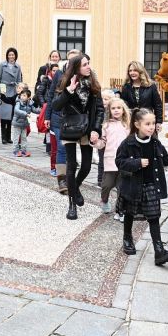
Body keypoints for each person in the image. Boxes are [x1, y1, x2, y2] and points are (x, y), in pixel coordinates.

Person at [117, 108, 168, 265]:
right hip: (133, 186)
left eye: (153, 123)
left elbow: (165, 160)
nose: (151, 126)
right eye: (147, 124)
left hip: (152, 185)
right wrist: (137, 163)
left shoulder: (155, 142)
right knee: (129, 213)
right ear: (137, 125)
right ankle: (127, 238)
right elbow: (119, 162)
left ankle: (159, 251)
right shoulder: (128, 143)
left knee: (154, 217)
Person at [53, 54, 104, 220]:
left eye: (88, 63)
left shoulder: (94, 85)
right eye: (84, 64)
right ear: (76, 68)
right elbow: (56, 105)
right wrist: (69, 91)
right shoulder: (66, 83)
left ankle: (75, 187)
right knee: (71, 164)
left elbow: (100, 110)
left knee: (87, 166)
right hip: (70, 127)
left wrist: (96, 129)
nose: (88, 67)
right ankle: (72, 205)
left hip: (87, 128)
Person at [44, 49, 82, 193]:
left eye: (75, 60)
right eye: (70, 60)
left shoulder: (82, 76)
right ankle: (62, 180)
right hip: (58, 117)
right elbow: (51, 95)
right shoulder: (59, 74)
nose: (72, 63)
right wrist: (47, 116)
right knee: (61, 148)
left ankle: (70, 176)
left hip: (74, 118)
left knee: (70, 149)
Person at [95, 97, 130, 215]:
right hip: (110, 161)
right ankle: (104, 201)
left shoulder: (127, 126)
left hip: (124, 162)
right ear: (109, 110)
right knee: (106, 185)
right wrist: (95, 142)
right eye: (113, 108)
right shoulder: (106, 126)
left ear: (123, 110)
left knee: (122, 188)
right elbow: (102, 143)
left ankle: (120, 209)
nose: (116, 110)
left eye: (119, 108)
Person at [120, 61, 163, 134]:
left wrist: (158, 122)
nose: (132, 73)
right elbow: (123, 105)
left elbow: (158, 105)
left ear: (140, 71)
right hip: (132, 122)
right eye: (130, 71)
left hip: (148, 121)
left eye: (135, 70)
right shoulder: (126, 87)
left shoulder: (151, 86)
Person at [0, 48, 23, 144]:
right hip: (4, 91)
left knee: (11, 115)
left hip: (14, 91)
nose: (11, 56)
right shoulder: (2, 65)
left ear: (16, 56)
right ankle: (3, 137)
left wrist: (19, 90)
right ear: (7, 56)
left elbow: (19, 80)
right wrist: (0, 91)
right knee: (4, 115)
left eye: (13, 55)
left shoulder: (18, 66)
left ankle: (8, 137)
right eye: (9, 55)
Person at [96, 89, 115, 186]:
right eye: (102, 99)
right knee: (102, 159)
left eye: (106, 99)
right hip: (101, 139)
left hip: (112, 139)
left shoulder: (114, 111)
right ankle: (100, 179)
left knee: (112, 159)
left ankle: (112, 179)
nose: (103, 101)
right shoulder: (99, 111)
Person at [11, 89, 36, 157]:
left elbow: (34, 109)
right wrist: (25, 114)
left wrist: (42, 110)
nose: (22, 97)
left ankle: (23, 150)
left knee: (24, 137)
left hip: (24, 124)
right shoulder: (18, 102)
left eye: (24, 96)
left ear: (28, 97)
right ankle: (15, 150)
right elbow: (16, 110)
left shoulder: (29, 103)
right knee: (16, 137)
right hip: (17, 123)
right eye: (21, 95)